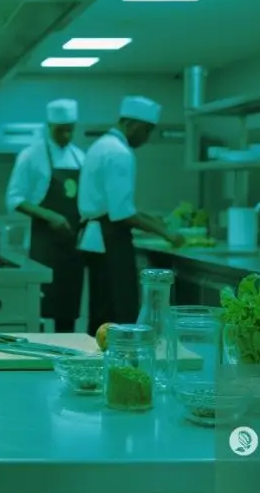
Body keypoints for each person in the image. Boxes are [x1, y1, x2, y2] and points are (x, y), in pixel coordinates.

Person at [76, 96, 185, 336]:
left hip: (96, 238)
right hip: (109, 239)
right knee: (120, 309)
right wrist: (166, 234)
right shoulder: (120, 153)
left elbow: (116, 206)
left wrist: (154, 221)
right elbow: (123, 214)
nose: (147, 138)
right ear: (132, 124)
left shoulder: (101, 145)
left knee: (101, 311)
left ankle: (97, 353)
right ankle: (121, 356)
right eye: (147, 130)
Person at [5, 98, 87, 333]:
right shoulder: (31, 156)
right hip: (43, 246)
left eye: (70, 130)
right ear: (49, 126)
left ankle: (67, 350)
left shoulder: (80, 157)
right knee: (39, 309)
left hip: (72, 247)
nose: (66, 135)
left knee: (68, 310)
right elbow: (14, 198)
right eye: (60, 130)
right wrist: (48, 215)